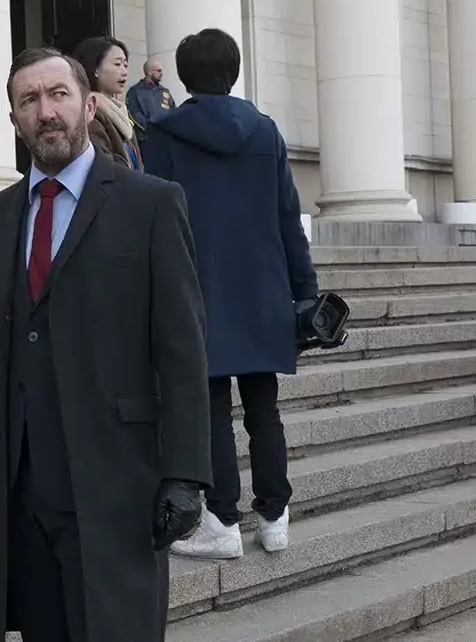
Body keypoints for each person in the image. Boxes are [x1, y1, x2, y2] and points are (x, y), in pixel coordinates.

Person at [0, 47, 210, 641]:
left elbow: (183, 352)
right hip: (21, 491)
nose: (46, 111)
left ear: (89, 105)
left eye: (58, 94)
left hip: (115, 484)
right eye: (29, 100)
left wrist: (186, 473)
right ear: (15, 119)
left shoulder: (151, 202)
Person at [142, 28, 314, 558]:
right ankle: (275, 516)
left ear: (184, 75)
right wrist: (306, 292)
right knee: (265, 408)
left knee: (212, 409)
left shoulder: (165, 134)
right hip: (264, 287)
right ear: (234, 71)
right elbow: (288, 217)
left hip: (199, 287)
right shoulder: (265, 131)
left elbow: (155, 220)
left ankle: (221, 521)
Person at [72, 36, 142, 169]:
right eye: (117, 64)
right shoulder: (90, 117)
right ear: (95, 69)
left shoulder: (120, 113)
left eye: (125, 65)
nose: (124, 72)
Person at [126, 59, 175, 134]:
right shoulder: (134, 92)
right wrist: (151, 128)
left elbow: (174, 111)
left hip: (166, 136)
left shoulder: (165, 91)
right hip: (145, 137)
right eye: (159, 71)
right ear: (149, 72)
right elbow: (134, 114)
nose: (162, 73)